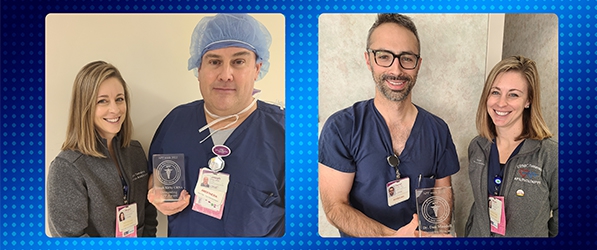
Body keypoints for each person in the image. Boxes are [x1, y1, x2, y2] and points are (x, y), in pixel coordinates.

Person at [318, 13, 460, 237]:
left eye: (407, 58)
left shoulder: (437, 130)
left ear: (418, 64)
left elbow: (441, 194)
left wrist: (438, 237)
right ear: (368, 60)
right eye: (384, 56)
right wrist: (392, 239)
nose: (396, 70)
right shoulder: (341, 128)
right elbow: (335, 207)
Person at [147, 14, 285, 237]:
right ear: (199, 68)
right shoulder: (175, 122)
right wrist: (156, 193)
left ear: (257, 69)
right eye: (214, 61)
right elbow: (155, 175)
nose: (225, 75)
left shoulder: (285, 134)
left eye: (238, 62)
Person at [47, 61, 157, 237]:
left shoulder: (135, 152)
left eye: (119, 99)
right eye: (102, 101)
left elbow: (148, 214)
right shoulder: (67, 167)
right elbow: (69, 240)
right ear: (85, 107)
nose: (114, 109)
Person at [465, 55, 558, 237]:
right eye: (495, 92)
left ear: (528, 100)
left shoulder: (550, 155)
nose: (501, 103)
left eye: (513, 94)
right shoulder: (477, 147)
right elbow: (479, 204)